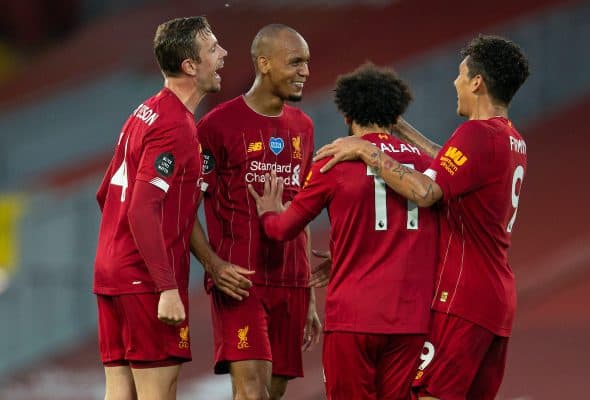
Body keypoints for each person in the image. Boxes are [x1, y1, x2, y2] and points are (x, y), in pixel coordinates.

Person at [315, 35, 530, 400]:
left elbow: (427, 192)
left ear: (477, 82)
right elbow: (446, 162)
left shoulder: (475, 133)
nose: (455, 82)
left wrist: (367, 150)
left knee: (426, 395)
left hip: (461, 299)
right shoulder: (511, 140)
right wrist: (400, 128)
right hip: (497, 302)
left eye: (461, 74)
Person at [248, 63, 439, 400]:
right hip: (411, 320)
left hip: (353, 319)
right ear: (395, 114)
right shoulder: (426, 168)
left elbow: (282, 231)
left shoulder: (334, 161)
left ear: (347, 114)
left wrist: (268, 213)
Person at [92, 16, 227, 400]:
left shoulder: (145, 111)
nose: (224, 55)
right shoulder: (175, 126)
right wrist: (166, 286)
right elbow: (141, 208)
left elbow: (106, 194)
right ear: (190, 65)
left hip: (113, 271)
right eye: (213, 49)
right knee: (158, 392)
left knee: (120, 390)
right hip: (145, 280)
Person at [190, 24, 321, 400]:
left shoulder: (305, 127)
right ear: (264, 63)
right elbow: (186, 210)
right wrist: (214, 266)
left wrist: (310, 295)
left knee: (272, 394)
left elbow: (303, 209)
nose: (305, 72)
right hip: (240, 280)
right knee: (251, 393)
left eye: (307, 63)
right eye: (295, 62)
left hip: (291, 283)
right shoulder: (216, 126)